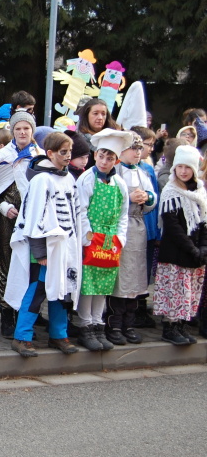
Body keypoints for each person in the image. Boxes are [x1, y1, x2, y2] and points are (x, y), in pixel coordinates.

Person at [5, 132, 83, 357]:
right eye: (63, 152)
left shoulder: (69, 179)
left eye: (70, 152)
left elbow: (75, 215)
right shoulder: (41, 180)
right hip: (44, 250)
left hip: (64, 248)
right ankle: (22, 336)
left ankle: (59, 334)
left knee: (62, 291)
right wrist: (40, 253)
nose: (68, 156)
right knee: (37, 290)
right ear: (50, 153)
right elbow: (34, 218)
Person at [0, 110, 42, 338]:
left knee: (30, 266)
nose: (22, 132)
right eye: (18, 128)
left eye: (26, 128)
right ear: (12, 131)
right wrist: (2, 206)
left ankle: (26, 316)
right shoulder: (2, 156)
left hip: (33, 219)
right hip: (7, 219)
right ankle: (7, 315)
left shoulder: (40, 156)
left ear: (32, 130)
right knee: (6, 263)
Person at [75, 129, 132, 351]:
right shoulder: (87, 179)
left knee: (104, 284)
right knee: (88, 284)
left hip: (110, 240)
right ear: (95, 155)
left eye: (110, 158)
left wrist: (120, 238)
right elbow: (81, 210)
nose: (104, 162)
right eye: (101, 156)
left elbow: (123, 214)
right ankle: (85, 325)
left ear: (116, 160)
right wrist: (88, 238)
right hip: (92, 238)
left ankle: (99, 323)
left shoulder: (119, 184)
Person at [104, 133, 157, 345]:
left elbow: (152, 196)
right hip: (120, 226)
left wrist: (148, 197)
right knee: (120, 278)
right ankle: (114, 324)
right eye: (133, 148)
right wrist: (128, 197)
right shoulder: (114, 172)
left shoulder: (143, 172)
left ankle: (129, 323)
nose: (137, 152)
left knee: (135, 277)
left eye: (139, 149)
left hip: (138, 228)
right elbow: (107, 198)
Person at [155, 146, 207, 345]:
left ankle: (182, 326)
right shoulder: (170, 192)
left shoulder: (199, 191)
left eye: (188, 167)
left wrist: (203, 247)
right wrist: (191, 248)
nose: (183, 171)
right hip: (176, 252)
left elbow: (203, 222)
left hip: (195, 254)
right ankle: (170, 327)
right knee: (175, 291)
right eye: (180, 167)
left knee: (190, 292)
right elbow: (173, 226)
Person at [131, 126, 162, 329]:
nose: (150, 149)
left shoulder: (148, 169)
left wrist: (157, 231)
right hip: (133, 225)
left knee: (145, 268)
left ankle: (141, 308)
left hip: (149, 226)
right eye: (146, 145)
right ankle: (131, 309)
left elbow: (154, 199)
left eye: (151, 145)